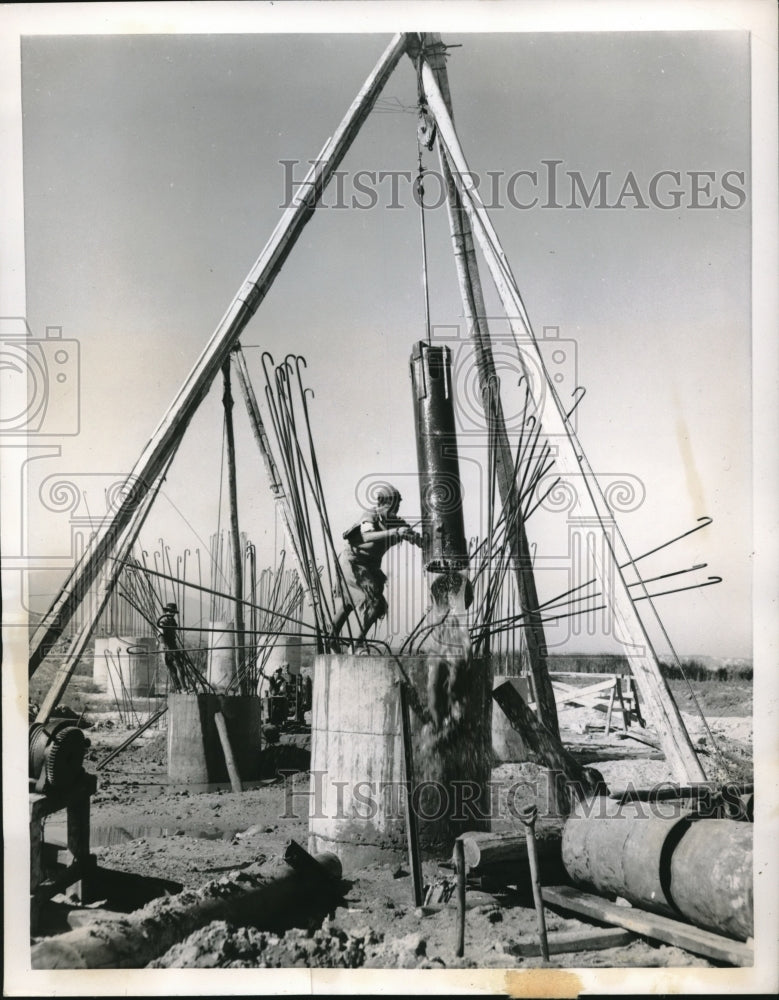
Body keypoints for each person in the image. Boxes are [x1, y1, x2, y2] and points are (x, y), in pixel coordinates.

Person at [331, 484, 422, 648]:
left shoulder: (395, 522)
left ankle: (343, 640)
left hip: (371, 567)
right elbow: (366, 536)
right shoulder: (370, 515)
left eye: (397, 506)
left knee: (354, 603)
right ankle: (353, 643)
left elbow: (410, 535)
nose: (396, 509)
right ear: (382, 504)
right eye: (393, 505)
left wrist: (418, 538)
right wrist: (394, 533)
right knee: (373, 602)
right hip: (353, 563)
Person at [156, 602, 186, 692]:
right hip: (166, 646)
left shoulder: (172, 620)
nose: (172, 614)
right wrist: (165, 646)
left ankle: (183, 687)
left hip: (173, 645)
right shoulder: (162, 621)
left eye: (173, 612)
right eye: (170, 612)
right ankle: (178, 687)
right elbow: (160, 634)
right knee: (172, 667)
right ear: (167, 611)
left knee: (180, 666)